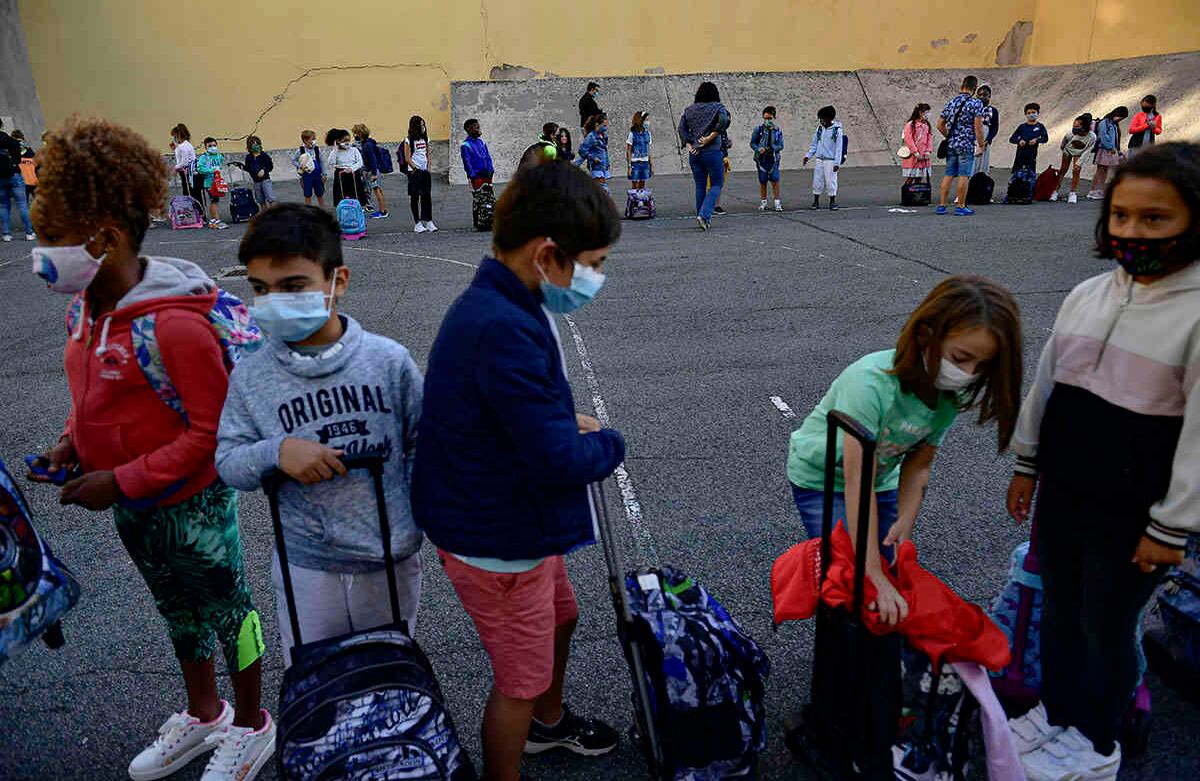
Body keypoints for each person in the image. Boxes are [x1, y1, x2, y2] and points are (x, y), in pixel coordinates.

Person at [28, 117, 273, 781]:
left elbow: (210, 433)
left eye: (54, 238)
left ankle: (253, 726)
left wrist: (120, 479)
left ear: (105, 238)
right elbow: (94, 399)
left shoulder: (173, 326)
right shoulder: (84, 310)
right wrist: (70, 443)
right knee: (177, 613)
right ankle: (205, 713)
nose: (41, 253)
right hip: (136, 507)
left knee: (228, 611)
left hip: (193, 505)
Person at [412, 161, 626, 781]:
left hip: (503, 514)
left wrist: (555, 417)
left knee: (563, 615)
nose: (597, 277)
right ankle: (513, 756)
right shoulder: (502, 325)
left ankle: (548, 723)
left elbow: (508, 405)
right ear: (547, 255)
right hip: (496, 540)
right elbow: (558, 461)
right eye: (593, 264)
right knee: (519, 682)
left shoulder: (507, 301)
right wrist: (611, 445)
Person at [1005, 142, 1200, 781]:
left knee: (1107, 625)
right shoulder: (1088, 294)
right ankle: (1058, 712)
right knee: (1060, 608)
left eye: (1155, 218)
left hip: (1138, 511)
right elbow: (1047, 383)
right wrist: (1027, 463)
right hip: (1066, 489)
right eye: (1121, 215)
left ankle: (1096, 742)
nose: (1132, 231)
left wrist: (1172, 526)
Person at [216, 203, 424, 662]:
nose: (273, 301)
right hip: (306, 567)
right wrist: (276, 452)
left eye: (293, 286)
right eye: (260, 288)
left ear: (338, 281)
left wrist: (416, 524)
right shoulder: (251, 375)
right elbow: (228, 461)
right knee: (318, 680)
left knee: (386, 675)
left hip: (388, 561)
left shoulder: (388, 362)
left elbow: (425, 446)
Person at [787, 275, 1022, 624]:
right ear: (926, 335)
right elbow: (857, 483)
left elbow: (919, 465)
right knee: (853, 573)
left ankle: (867, 636)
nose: (968, 374)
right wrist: (872, 572)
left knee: (888, 569)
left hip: (880, 479)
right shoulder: (869, 383)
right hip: (822, 479)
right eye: (961, 358)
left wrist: (904, 522)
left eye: (981, 366)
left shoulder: (946, 397)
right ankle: (839, 641)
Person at [678, 81, 731, 230]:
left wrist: (689, 145)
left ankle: (700, 215)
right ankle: (705, 215)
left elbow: (681, 128)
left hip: (695, 153)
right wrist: (710, 137)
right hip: (713, 152)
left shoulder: (689, 110)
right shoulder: (718, 107)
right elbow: (724, 121)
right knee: (716, 184)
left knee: (700, 186)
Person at [936, 75, 986, 215]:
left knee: (949, 174)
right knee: (964, 175)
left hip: (951, 144)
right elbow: (978, 127)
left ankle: (942, 205)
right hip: (966, 144)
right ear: (974, 88)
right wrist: (981, 144)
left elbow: (940, 124)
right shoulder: (976, 103)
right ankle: (961, 206)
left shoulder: (951, 102)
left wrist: (949, 136)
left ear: (962, 85)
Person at [802, 105, 844, 211]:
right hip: (819, 159)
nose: (820, 121)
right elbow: (814, 144)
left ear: (829, 118)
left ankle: (832, 200)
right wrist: (808, 156)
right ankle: (816, 200)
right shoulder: (819, 129)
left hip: (830, 160)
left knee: (831, 181)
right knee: (817, 180)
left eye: (822, 118)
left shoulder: (837, 131)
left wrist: (837, 163)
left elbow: (839, 148)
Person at [400, 115, 436, 233]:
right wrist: (415, 169)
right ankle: (417, 223)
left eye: (423, 125)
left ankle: (429, 221)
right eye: (420, 125)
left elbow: (428, 154)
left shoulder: (425, 139)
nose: (423, 127)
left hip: (425, 171)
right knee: (415, 197)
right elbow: (407, 157)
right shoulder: (408, 140)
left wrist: (428, 167)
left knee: (427, 196)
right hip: (414, 172)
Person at [0, 117, 34, 241]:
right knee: (22, 204)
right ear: (2, 125)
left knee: (3, 205)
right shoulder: (11, 141)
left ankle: (6, 234)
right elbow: (18, 158)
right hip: (14, 174)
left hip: (0, 178)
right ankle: (29, 233)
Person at [1050, 114, 1097, 204]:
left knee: (1076, 171)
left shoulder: (1092, 137)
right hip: (1068, 151)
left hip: (1080, 153)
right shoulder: (1071, 134)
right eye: (1073, 126)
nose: (1074, 128)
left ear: (1084, 127)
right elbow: (1064, 141)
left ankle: (1073, 192)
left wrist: (1079, 163)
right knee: (1063, 170)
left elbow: (1087, 151)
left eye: (1077, 127)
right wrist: (1063, 149)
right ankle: (1055, 191)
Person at [1088, 106, 1129, 200]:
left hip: (1109, 150)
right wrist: (1110, 147)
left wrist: (1116, 149)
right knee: (1100, 170)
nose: (1120, 120)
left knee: (1104, 170)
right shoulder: (1105, 122)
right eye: (1121, 117)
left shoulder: (1112, 124)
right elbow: (1103, 136)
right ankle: (1093, 191)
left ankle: (1098, 190)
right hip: (1104, 149)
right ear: (1117, 114)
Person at [326, 128, 369, 210]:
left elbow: (360, 162)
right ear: (338, 141)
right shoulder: (336, 152)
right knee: (342, 193)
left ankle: (357, 208)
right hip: (341, 174)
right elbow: (331, 163)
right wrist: (335, 149)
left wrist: (351, 168)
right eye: (344, 141)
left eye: (348, 140)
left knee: (355, 192)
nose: (347, 143)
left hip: (353, 174)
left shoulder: (354, 150)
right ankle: (343, 209)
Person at [353, 123, 389, 219]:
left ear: (360, 133)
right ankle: (383, 209)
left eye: (356, 133)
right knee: (378, 190)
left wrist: (374, 174)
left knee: (377, 190)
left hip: (373, 171)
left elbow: (373, 160)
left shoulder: (367, 145)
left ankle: (382, 211)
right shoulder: (368, 143)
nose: (355, 135)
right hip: (373, 170)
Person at [751, 106, 784, 211]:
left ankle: (777, 202)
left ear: (774, 118)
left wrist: (774, 148)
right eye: (765, 118)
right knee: (763, 180)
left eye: (769, 118)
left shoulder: (778, 131)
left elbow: (781, 145)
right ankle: (763, 202)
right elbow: (752, 143)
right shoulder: (758, 129)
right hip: (761, 159)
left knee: (775, 179)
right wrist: (758, 149)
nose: (767, 121)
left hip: (773, 158)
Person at [195, 137, 228, 229]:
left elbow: (220, 164)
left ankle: (213, 220)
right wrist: (211, 170)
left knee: (216, 200)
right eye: (210, 146)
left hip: (217, 182)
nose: (213, 147)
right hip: (209, 183)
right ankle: (216, 220)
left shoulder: (219, 156)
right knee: (214, 200)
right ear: (205, 147)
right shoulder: (204, 157)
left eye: (214, 145)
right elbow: (200, 168)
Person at [1009, 103, 1049, 176]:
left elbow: (1045, 138)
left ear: (1038, 113)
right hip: (1020, 156)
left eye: (1033, 112)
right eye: (1029, 113)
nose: (1031, 114)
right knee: (1018, 177)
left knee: (1030, 176)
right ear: (1026, 114)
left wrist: (1036, 140)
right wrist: (1019, 141)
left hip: (1032, 156)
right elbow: (1012, 139)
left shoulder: (1040, 126)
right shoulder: (1022, 127)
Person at [291, 130, 326, 208]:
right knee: (307, 194)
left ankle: (323, 209)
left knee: (320, 194)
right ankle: (308, 211)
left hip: (317, 175)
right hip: (307, 176)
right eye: (312, 139)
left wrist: (324, 174)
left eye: (314, 139)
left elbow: (322, 161)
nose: (314, 141)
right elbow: (293, 160)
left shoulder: (317, 149)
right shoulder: (300, 150)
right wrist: (300, 166)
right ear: (305, 140)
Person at [577, 113, 611, 192]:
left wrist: (607, 163)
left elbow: (604, 151)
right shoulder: (591, 136)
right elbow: (582, 150)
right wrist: (593, 158)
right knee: (602, 189)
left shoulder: (604, 136)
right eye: (604, 126)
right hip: (596, 167)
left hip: (603, 166)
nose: (605, 128)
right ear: (597, 124)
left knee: (601, 188)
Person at [170, 123, 200, 209]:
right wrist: (175, 149)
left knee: (188, 194)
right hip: (190, 172)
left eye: (174, 136)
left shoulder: (183, 147)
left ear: (178, 135)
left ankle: (192, 211)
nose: (173, 138)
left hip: (187, 173)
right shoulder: (186, 145)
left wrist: (175, 168)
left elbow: (184, 162)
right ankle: (196, 211)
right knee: (192, 193)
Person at [901, 103, 933, 180]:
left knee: (919, 178)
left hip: (923, 156)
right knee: (911, 178)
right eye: (927, 112)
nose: (928, 114)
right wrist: (915, 152)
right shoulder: (910, 125)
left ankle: (918, 188)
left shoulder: (927, 125)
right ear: (920, 113)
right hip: (913, 156)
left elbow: (929, 139)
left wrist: (928, 151)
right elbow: (908, 139)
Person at [461, 118, 495, 190]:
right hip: (476, 177)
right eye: (476, 128)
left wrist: (491, 169)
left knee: (489, 195)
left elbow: (488, 157)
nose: (479, 130)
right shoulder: (466, 145)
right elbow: (467, 163)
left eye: (479, 127)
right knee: (479, 195)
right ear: (469, 129)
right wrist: (473, 176)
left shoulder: (481, 142)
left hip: (487, 174)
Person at [243, 135, 275, 208]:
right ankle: (264, 213)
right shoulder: (249, 157)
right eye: (253, 144)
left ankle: (275, 213)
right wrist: (241, 166)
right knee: (260, 200)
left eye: (257, 143)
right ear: (249, 147)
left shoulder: (264, 155)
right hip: (256, 182)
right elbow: (248, 168)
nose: (255, 146)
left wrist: (264, 170)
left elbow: (270, 165)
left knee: (270, 198)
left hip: (265, 180)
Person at [974, 85, 1000, 175]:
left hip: (985, 137)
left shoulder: (993, 111)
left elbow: (995, 127)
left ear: (989, 96)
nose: (982, 97)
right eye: (979, 95)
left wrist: (988, 140)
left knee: (983, 160)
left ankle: (982, 177)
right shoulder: (973, 109)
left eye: (984, 95)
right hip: (974, 137)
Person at [1126, 95, 1162, 160]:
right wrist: (1146, 125)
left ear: (1152, 105)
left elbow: (1159, 131)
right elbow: (1131, 130)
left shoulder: (1158, 116)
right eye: (1142, 105)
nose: (1143, 107)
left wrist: (1154, 128)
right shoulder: (1138, 115)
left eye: (1146, 105)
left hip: (1149, 146)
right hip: (1136, 145)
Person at [626, 111, 653, 190]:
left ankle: (642, 197)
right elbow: (629, 150)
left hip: (645, 162)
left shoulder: (648, 134)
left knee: (642, 184)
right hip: (635, 162)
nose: (648, 122)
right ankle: (634, 198)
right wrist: (629, 166)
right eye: (646, 120)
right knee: (635, 184)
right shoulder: (632, 134)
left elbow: (648, 150)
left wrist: (651, 165)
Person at [11, 130, 37, 202]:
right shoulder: (12, 155)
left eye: (20, 141)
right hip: (22, 184)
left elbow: (37, 168)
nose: (19, 143)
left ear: (23, 140)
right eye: (16, 141)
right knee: (24, 205)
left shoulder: (31, 153)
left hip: (33, 183)